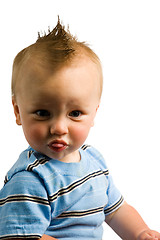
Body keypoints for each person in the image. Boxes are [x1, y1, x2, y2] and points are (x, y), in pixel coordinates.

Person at [0, 17, 159, 240]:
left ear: (94, 112)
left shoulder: (94, 161)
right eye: (43, 113)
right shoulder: (30, 180)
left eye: (74, 114)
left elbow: (115, 210)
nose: (58, 127)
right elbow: (21, 236)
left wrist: (140, 232)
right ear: (17, 111)